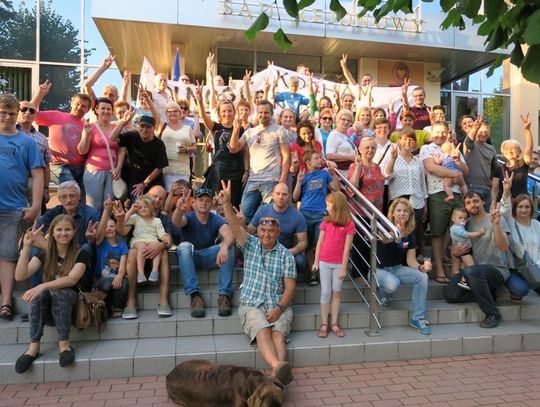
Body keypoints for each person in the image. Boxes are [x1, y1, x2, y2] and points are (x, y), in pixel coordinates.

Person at [219, 180, 296, 386]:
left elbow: (290, 287)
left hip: (278, 303)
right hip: (252, 302)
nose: (266, 234)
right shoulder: (250, 244)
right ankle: (278, 368)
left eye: (271, 231)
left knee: (278, 335)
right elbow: (235, 227)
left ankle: (276, 373)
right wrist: (227, 203)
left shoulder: (286, 255)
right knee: (263, 330)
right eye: (263, 230)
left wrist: (280, 308)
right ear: (258, 231)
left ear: (278, 233)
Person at [14, 215, 89, 373]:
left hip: (71, 306)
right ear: (52, 233)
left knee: (61, 293)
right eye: (59, 230)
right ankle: (33, 347)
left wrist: (42, 286)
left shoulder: (80, 253)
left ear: (74, 232)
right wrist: (26, 248)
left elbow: (72, 279)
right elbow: (20, 276)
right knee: (39, 295)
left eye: (67, 229)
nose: (63, 233)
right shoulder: (44, 254)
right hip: (48, 306)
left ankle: (64, 344)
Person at [0, 94, 45, 321]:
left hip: (13, 206)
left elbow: (37, 175)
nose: (7, 117)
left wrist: (36, 205)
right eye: (2, 112)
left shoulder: (27, 142)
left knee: (8, 255)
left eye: (11, 113)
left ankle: (6, 302)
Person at [172, 187, 235, 318]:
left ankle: (224, 296)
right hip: (190, 257)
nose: (204, 203)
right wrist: (178, 209)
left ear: (212, 203)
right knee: (183, 247)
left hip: (208, 257)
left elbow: (229, 234)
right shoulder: (188, 217)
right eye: (200, 200)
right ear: (194, 202)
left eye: (207, 200)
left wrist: (224, 247)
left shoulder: (215, 218)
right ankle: (195, 296)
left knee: (229, 246)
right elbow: (177, 222)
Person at [116, 185, 176, 319]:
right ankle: (130, 301)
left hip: (156, 256)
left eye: (161, 198)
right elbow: (121, 232)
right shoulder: (136, 215)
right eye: (154, 196)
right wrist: (127, 214)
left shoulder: (163, 219)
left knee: (164, 253)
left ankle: (164, 300)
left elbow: (168, 239)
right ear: (146, 195)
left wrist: (160, 245)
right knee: (131, 252)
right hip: (136, 257)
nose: (157, 200)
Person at [420, 121, 468, 284]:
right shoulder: (427, 149)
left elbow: (466, 170)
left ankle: (455, 270)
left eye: (443, 132)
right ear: (432, 133)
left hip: (457, 195)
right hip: (437, 195)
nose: (440, 135)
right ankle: (439, 270)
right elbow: (432, 168)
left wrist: (458, 161)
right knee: (438, 233)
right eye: (437, 132)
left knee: (457, 232)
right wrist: (456, 175)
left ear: (448, 132)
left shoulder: (453, 147)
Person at [454, 192, 511, 328]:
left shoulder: (496, 218)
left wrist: (496, 225)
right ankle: (487, 291)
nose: (472, 205)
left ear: (483, 202)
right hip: (474, 270)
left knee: (472, 272)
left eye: (475, 201)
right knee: (451, 294)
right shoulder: (465, 224)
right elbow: (457, 249)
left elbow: (503, 247)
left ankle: (493, 313)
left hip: (497, 269)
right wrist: (456, 252)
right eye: (468, 203)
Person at [229, 100, 290, 224]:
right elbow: (234, 149)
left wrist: (282, 181)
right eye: (260, 112)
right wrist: (236, 130)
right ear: (257, 113)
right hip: (253, 179)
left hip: (271, 180)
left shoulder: (279, 130)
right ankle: (251, 239)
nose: (263, 115)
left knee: (269, 216)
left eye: (266, 112)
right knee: (245, 213)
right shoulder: (249, 132)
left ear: (272, 114)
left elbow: (286, 156)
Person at [376, 198, 431, 335]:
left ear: (410, 215)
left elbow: (411, 261)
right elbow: (384, 239)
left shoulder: (410, 235)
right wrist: (395, 233)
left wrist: (421, 268)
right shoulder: (384, 226)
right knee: (393, 284)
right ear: (393, 213)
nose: (402, 213)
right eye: (399, 210)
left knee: (422, 277)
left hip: (397, 268)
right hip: (378, 270)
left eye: (405, 211)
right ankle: (384, 294)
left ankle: (417, 318)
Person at [32, 82, 92, 197]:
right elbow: (32, 113)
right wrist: (40, 94)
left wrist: (87, 134)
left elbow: (84, 150)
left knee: (80, 199)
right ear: (71, 103)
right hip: (59, 165)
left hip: (81, 168)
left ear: (87, 110)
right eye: (77, 104)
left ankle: (68, 216)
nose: (79, 108)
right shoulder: (56, 115)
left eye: (84, 106)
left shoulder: (87, 126)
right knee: (71, 190)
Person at [312, 191, 355, 338]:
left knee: (336, 292)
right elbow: (320, 243)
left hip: (338, 264)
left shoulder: (349, 225)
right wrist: (316, 262)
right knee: (325, 292)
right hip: (324, 262)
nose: (327, 207)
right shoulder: (326, 222)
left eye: (328, 205)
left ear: (336, 206)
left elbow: (347, 247)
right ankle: (324, 322)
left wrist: (343, 268)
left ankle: (334, 322)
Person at [195, 86, 245, 207]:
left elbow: (243, 151)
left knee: (233, 201)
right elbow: (203, 116)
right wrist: (199, 100)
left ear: (234, 112)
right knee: (218, 199)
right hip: (219, 169)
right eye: (224, 111)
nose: (227, 113)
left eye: (229, 110)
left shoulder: (241, 129)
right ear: (219, 113)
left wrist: (246, 171)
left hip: (236, 169)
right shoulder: (216, 127)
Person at [249, 183, 308, 279]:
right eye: (278, 193)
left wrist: (291, 252)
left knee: (301, 261)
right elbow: (250, 230)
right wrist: (241, 223)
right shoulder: (263, 210)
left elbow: (303, 242)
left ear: (288, 196)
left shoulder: (297, 215)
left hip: (286, 251)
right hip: (265, 250)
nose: (281, 197)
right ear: (273, 195)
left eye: (284, 194)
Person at [78, 97, 125, 213]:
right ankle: (94, 230)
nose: (106, 111)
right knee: (94, 207)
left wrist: (119, 167)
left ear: (112, 111)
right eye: (103, 108)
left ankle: (106, 230)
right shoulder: (90, 127)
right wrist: (86, 135)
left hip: (112, 172)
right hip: (94, 171)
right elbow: (82, 150)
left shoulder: (116, 128)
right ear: (96, 110)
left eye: (109, 109)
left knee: (109, 207)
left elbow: (121, 149)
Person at [385, 127, 428, 254]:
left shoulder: (418, 161)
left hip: (417, 201)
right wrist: (393, 159)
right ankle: (398, 260)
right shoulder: (393, 158)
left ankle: (413, 258)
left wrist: (425, 204)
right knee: (399, 232)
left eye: (411, 139)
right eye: (405, 139)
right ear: (399, 141)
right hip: (398, 202)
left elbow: (422, 182)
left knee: (414, 232)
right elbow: (387, 175)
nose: (408, 142)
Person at [109, 112, 168, 201]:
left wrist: (144, 184)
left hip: (153, 181)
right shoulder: (132, 136)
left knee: (154, 206)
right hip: (136, 179)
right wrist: (123, 121)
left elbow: (159, 167)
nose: (144, 129)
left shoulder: (159, 144)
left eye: (148, 127)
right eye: (142, 126)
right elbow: (112, 137)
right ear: (137, 126)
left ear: (154, 128)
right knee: (137, 204)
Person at [500, 173, 540, 300]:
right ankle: (516, 288)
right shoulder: (510, 222)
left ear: (531, 209)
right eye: (520, 207)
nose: (524, 210)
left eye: (527, 207)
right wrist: (506, 191)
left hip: (535, 267)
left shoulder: (536, 224)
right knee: (520, 289)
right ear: (515, 209)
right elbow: (503, 211)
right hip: (516, 268)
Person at [94, 198, 128, 318]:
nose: (109, 229)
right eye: (107, 227)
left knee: (123, 283)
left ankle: (117, 306)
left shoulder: (122, 246)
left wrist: (120, 275)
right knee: (108, 284)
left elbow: (123, 264)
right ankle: (106, 306)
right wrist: (107, 209)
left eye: (112, 226)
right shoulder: (100, 244)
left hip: (116, 277)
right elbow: (101, 230)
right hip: (102, 280)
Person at [16, 100, 51, 211]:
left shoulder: (42, 137)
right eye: (23, 109)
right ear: (17, 111)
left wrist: (46, 188)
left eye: (32, 110)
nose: (28, 112)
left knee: (35, 219)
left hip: (35, 182)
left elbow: (46, 164)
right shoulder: (7, 133)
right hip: (12, 180)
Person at [124, 196, 167, 284]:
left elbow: (161, 234)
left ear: (151, 208)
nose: (143, 209)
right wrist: (132, 210)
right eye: (140, 207)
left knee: (156, 245)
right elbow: (124, 220)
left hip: (151, 240)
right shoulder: (135, 217)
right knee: (142, 246)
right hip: (138, 240)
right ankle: (141, 273)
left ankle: (154, 271)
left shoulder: (157, 220)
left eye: (145, 207)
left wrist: (165, 239)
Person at [463, 115, 499, 210]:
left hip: (487, 189)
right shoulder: (471, 145)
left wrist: (493, 185)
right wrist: (475, 128)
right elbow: (468, 141)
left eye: (486, 131)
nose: (483, 134)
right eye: (481, 131)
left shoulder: (491, 149)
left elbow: (497, 170)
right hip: (471, 187)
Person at [158, 102, 196, 191]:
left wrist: (187, 149)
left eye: (175, 111)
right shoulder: (162, 126)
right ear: (166, 114)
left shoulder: (188, 128)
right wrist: (148, 99)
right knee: (168, 195)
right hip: (166, 168)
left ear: (180, 113)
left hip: (183, 168)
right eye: (169, 111)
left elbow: (194, 148)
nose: (172, 113)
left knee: (182, 195)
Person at [448, 207, 487, 289]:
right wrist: (479, 233)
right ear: (453, 218)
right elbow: (466, 235)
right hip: (464, 251)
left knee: (465, 266)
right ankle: (464, 281)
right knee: (471, 266)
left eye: (465, 219)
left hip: (465, 249)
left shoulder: (459, 227)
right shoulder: (455, 228)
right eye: (460, 218)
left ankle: (463, 276)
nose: (463, 220)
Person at [500, 113, 534, 197]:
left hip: (522, 203)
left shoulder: (523, 163)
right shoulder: (499, 168)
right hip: (505, 203)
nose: (510, 151)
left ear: (519, 151)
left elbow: (529, 147)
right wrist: (494, 203)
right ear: (503, 152)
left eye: (513, 148)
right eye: (507, 149)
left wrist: (527, 129)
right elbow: (495, 189)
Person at [326, 109, 355, 176]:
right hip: (340, 175)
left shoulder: (345, 135)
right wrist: (350, 157)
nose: (346, 122)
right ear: (338, 120)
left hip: (349, 173)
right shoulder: (334, 134)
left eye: (348, 120)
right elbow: (329, 155)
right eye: (343, 119)